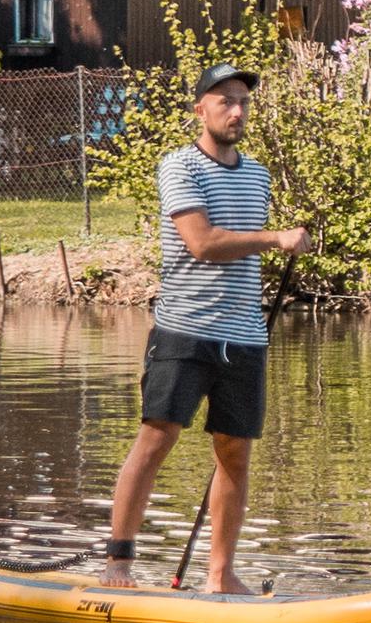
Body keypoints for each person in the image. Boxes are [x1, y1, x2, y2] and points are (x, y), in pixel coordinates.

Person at [103, 63, 311, 589]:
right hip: (184, 329)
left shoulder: (259, 174)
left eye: (243, 100)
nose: (237, 110)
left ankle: (221, 574)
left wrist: (276, 239)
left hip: (243, 338)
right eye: (225, 101)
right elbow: (202, 243)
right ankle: (118, 564)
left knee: (235, 453)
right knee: (156, 440)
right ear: (201, 109)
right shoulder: (178, 167)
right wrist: (274, 238)